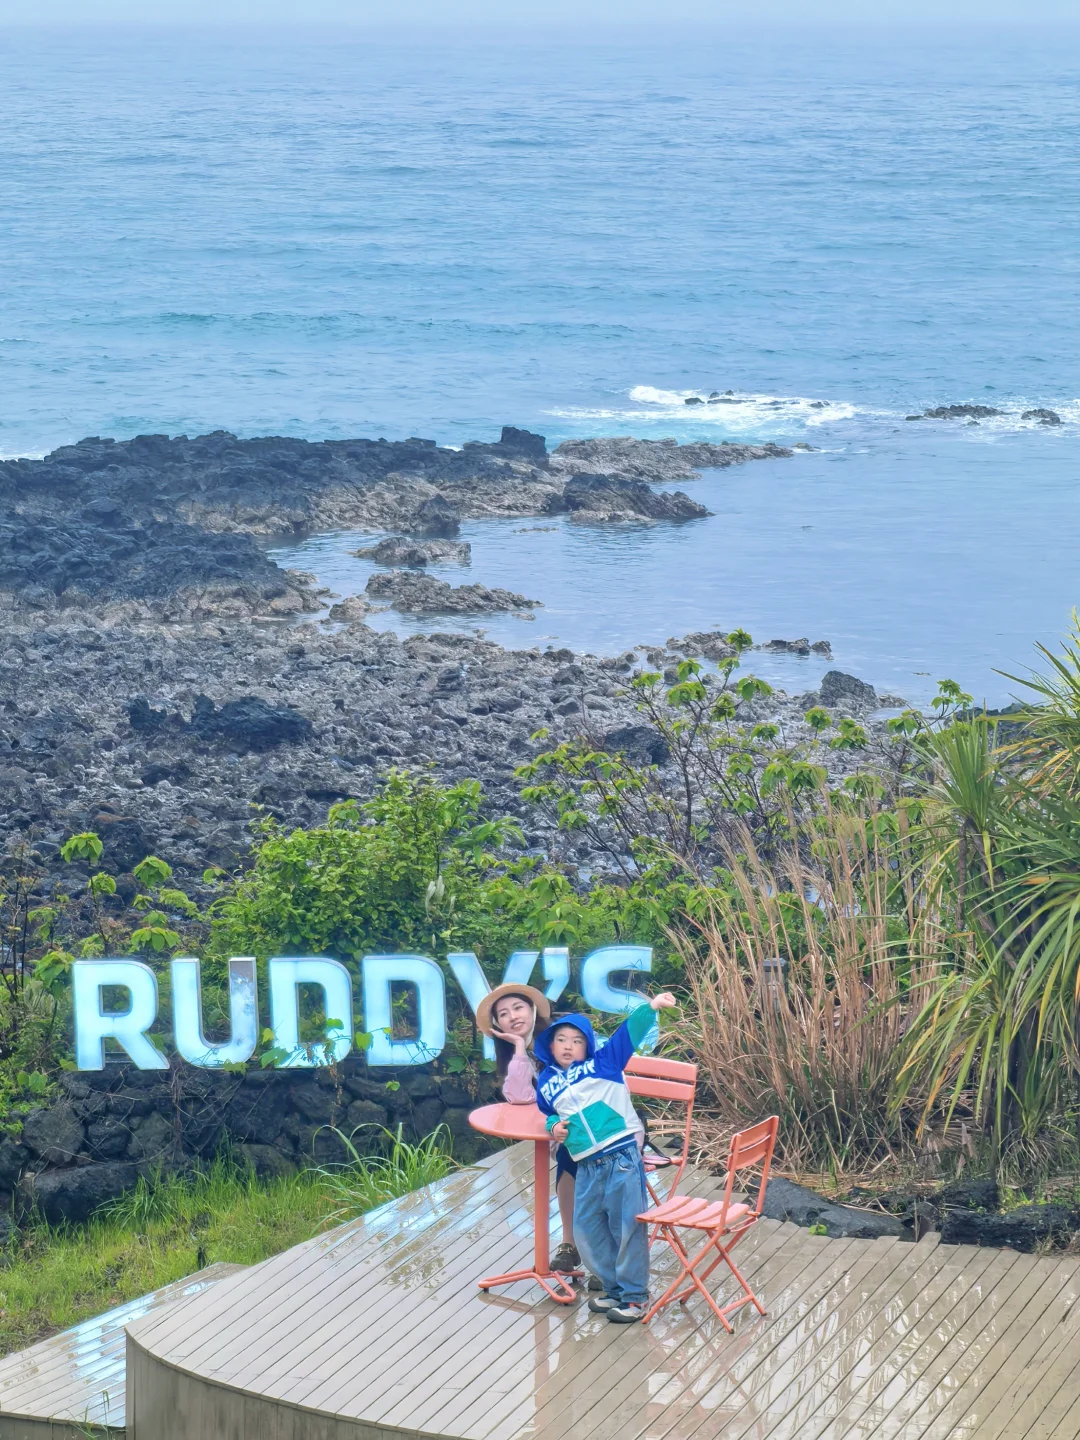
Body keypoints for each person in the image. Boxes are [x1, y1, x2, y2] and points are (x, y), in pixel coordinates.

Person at [533, 992, 677, 1324]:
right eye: (561, 1040)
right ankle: (613, 1287)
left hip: (621, 1156)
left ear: (588, 1047)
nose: (568, 1045)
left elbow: (628, 1033)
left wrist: (651, 1007)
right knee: (585, 1229)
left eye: (577, 1040)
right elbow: (549, 1114)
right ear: (550, 1046)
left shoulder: (605, 1063)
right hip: (586, 1164)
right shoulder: (546, 1082)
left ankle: (635, 1297)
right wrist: (554, 1126)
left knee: (626, 1226)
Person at [474, 983, 582, 1274]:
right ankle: (571, 1245)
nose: (513, 1016)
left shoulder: (563, 1039)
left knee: (575, 1156)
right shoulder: (517, 1055)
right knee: (567, 1155)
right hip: (562, 1132)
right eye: (504, 1014)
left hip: (598, 1126)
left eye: (518, 1008)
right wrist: (520, 1049)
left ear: (533, 1009)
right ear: (498, 1024)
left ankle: (593, 1251)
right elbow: (519, 1097)